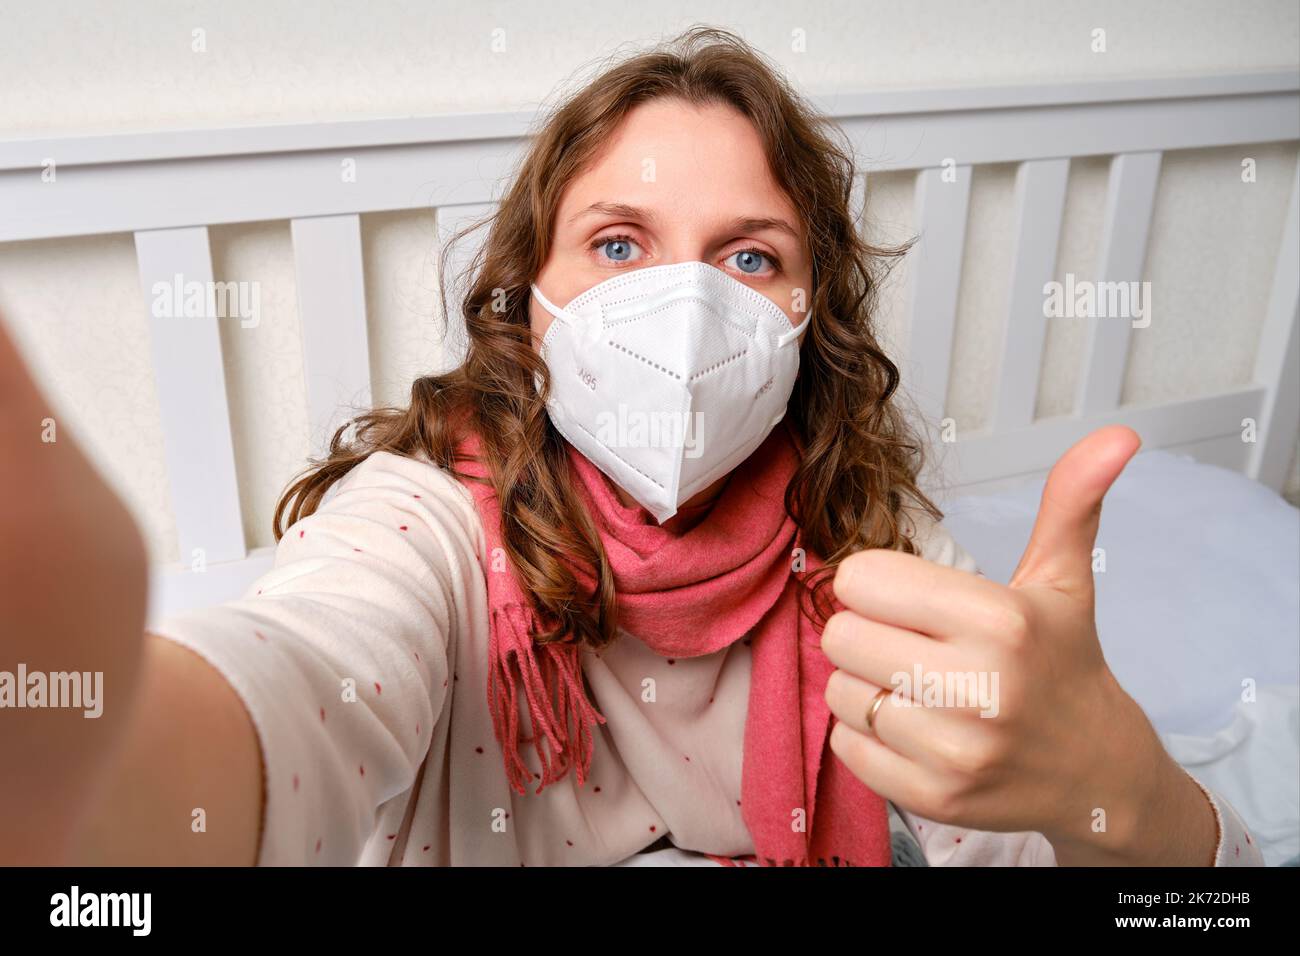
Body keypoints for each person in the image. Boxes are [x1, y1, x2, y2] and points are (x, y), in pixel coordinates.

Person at [0, 26, 1263, 867]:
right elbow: (295, 684)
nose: (684, 304)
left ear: (807, 318)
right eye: (617, 244)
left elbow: (1089, 850)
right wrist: (85, 743)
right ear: (529, 302)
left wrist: (1123, 785)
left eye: (749, 255)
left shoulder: (872, 552)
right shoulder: (429, 528)